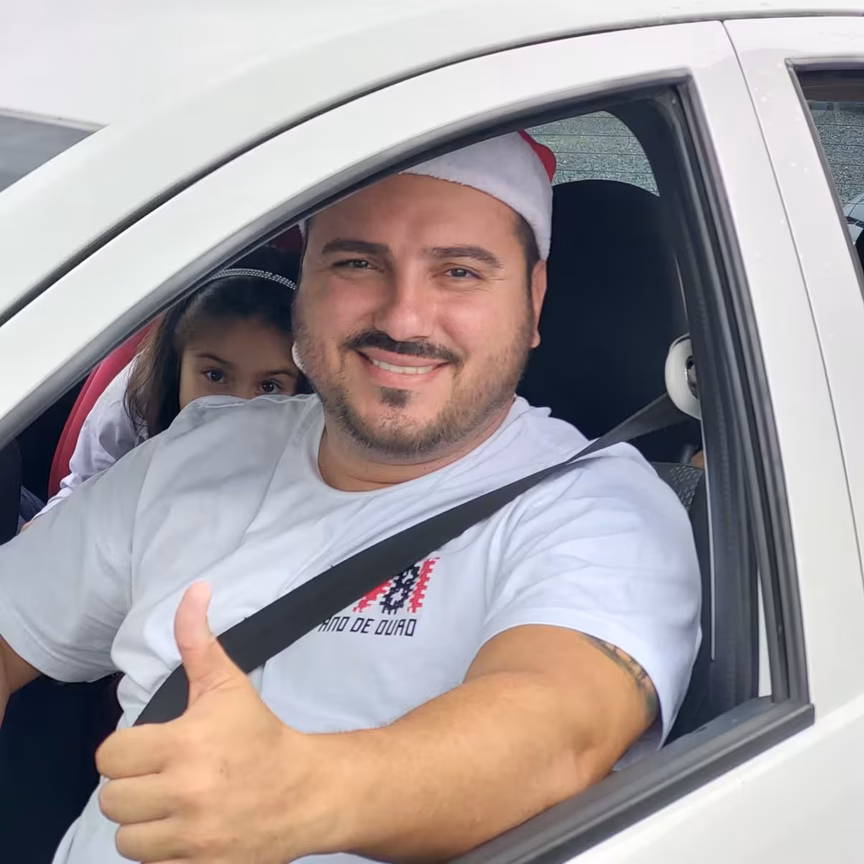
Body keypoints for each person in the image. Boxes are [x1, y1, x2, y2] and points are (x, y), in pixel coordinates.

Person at [0, 131, 700, 864]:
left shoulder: (598, 508)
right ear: (303, 282)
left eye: (459, 272)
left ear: (532, 299)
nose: (402, 319)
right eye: (358, 263)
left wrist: (297, 792)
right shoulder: (200, 449)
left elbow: (557, 731)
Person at [27, 268, 305, 522]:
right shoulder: (138, 401)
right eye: (215, 375)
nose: (238, 408)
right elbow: (82, 490)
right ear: (176, 367)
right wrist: (48, 527)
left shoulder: (305, 461)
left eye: (269, 387)